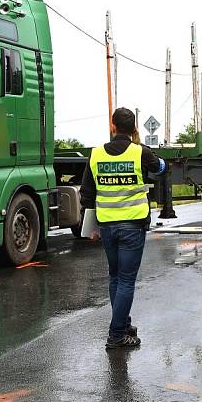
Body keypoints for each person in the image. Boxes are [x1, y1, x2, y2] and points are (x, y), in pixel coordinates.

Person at [80, 107, 166, 349]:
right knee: (127, 281)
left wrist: (93, 227)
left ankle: (124, 323)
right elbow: (161, 169)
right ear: (134, 128)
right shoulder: (140, 152)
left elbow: (87, 194)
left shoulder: (96, 155)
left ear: (113, 125)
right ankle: (117, 335)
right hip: (132, 226)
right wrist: (149, 153)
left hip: (107, 226)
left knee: (115, 277)